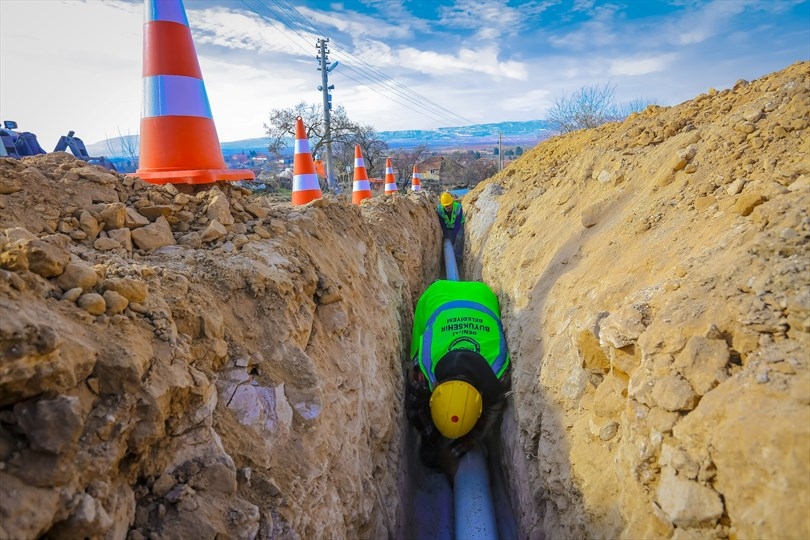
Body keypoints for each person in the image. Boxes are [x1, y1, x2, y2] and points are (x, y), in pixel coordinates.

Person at [405, 279, 511, 473]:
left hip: (482, 295)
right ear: (434, 385)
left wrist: (467, 442)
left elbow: (490, 413)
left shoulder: (498, 377)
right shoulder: (423, 370)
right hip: (435, 296)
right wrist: (433, 443)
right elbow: (414, 409)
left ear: (481, 399)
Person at [436, 191, 465, 265]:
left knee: (458, 238)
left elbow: (458, 223)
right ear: (443, 205)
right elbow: (442, 223)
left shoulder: (458, 207)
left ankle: (458, 259)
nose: (448, 207)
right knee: (449, 240)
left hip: (458, 226)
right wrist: (445, 233)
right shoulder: (439, 209)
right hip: (448, 227)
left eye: (449, 205)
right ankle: (446, 260)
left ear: (452, 202)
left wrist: (454, 234)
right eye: (446, 206)